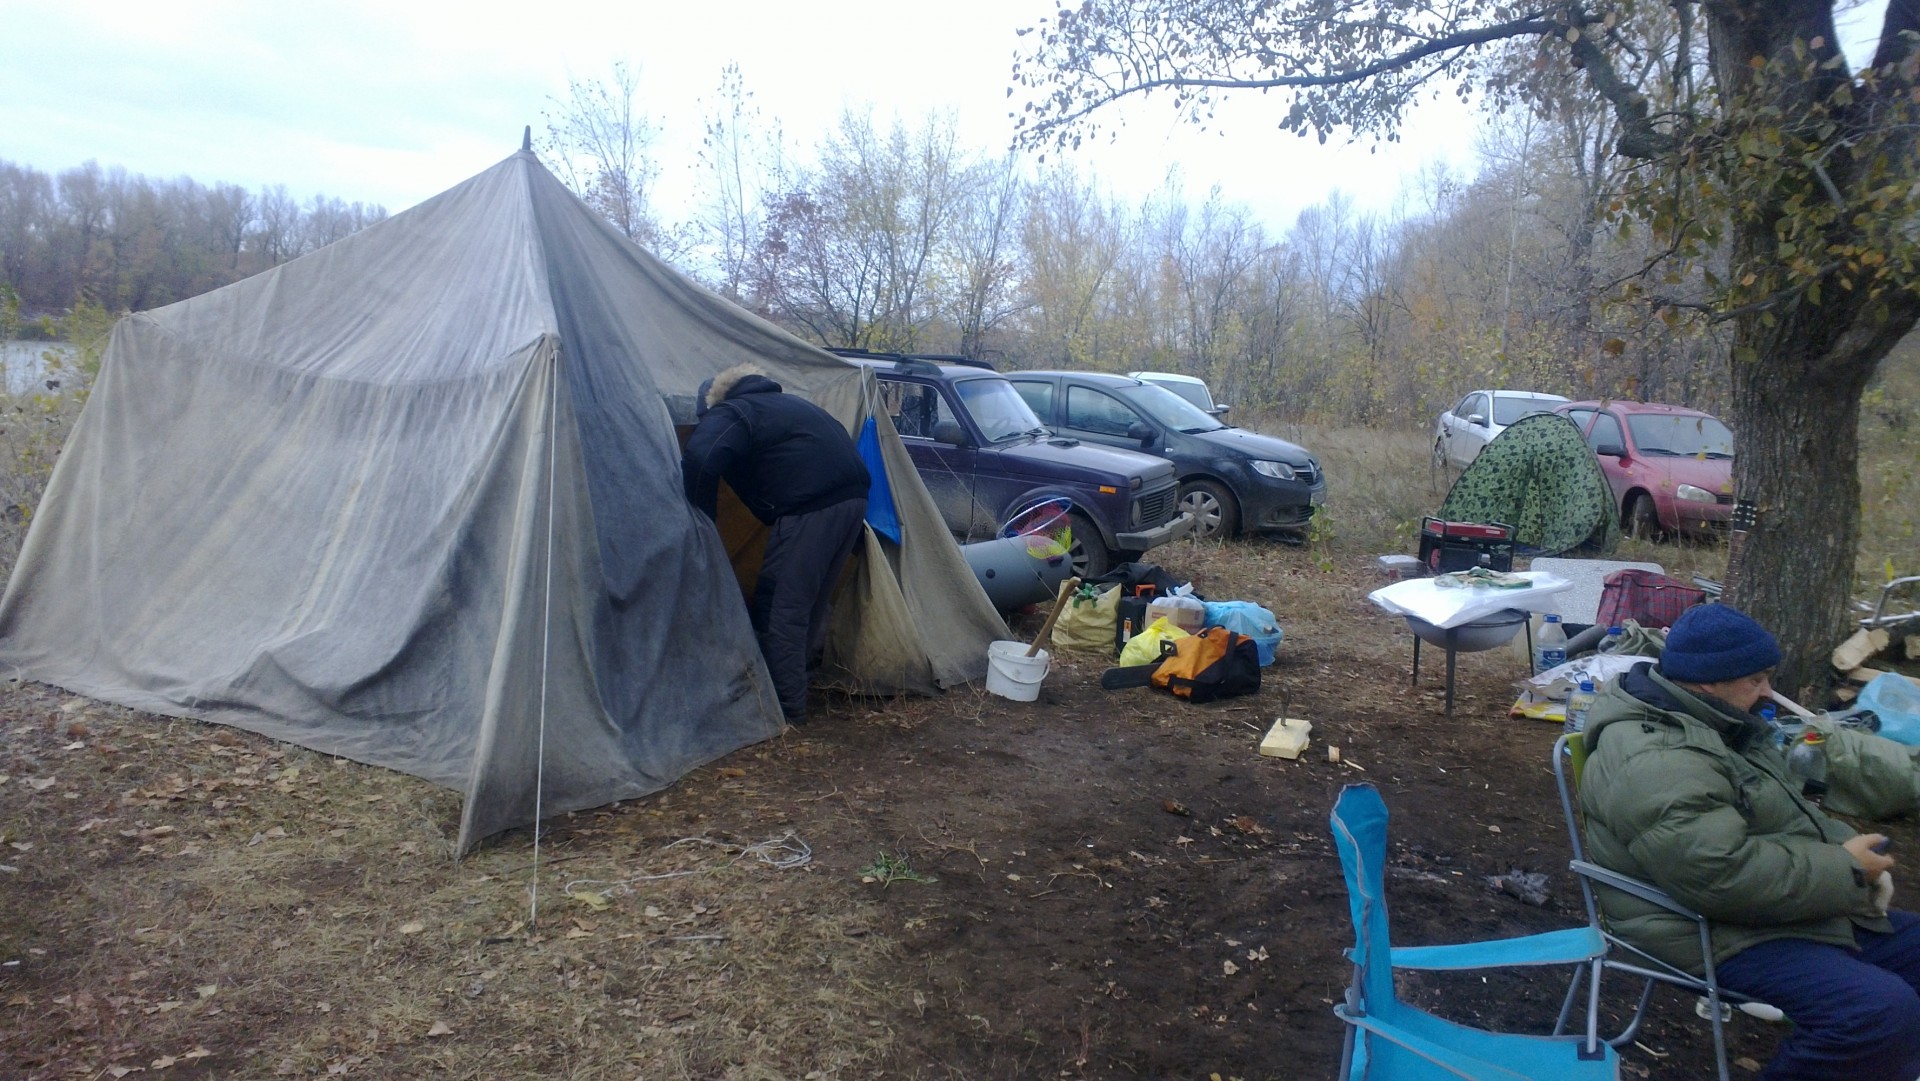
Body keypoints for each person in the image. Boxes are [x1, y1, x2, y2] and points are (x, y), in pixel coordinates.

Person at [1578, 603, 1920, 1081]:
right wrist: (1846, 869)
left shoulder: (1719, 726)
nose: (1767, 692)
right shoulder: (1658, 756)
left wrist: (1850, 852)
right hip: (1700, 929)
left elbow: (1783, 821)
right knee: (1874, 1013)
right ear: (1707, 682)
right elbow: (1719, 874)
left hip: (1762, 911)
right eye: (1755, 680)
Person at [681, 363, 870, 725]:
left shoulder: (732, 411)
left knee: (780, 608)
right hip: (852, 502)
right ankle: (796, 685)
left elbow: (701, 456)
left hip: (810, 508)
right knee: (808, 605)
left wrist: (701, 520)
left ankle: (783, 710)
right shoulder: (786, 405)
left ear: (711, 406)